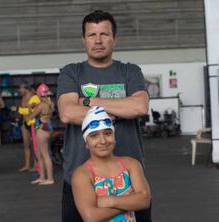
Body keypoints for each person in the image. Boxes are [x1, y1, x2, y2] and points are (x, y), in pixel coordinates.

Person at [57, 10, 150, 221]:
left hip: (130, 180)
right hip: (81, 180)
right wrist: (118, 108)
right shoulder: (71, 72)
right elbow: (67, 112)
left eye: (104, 34)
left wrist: (89, 102)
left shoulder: (130, 71)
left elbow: (139, 107)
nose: (98, 41)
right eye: (92, 35)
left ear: (114, 39)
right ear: (84, 40)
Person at [72, 106, 151, 222]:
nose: (103, 141)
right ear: (86, 143)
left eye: (108, 133)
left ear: (114, 137)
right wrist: (129, 201)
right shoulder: (82, 174)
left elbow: (144, 200)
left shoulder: (131, 164)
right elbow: (91, 217)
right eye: (94, 136)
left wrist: (110, 201)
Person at [29, 83, 54, 185]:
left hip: (41, 130)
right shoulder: (50, 103)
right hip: (47, 127)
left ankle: (50, 179)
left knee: (45, 154)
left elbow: (31, 116)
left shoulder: (41, 105)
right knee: (39, 154)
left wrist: (31, 107)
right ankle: (42, 177)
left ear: (39, 94)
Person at [15, 82, 41, 172]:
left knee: (35, 145)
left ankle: (36, 165)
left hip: (33, 123)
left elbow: (32, 111)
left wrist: (18, 109)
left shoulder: (33, 97)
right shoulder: (23, 97)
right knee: (26, 145)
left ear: (26, 89)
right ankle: (27, 165)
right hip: (25, 122)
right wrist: (22, 124)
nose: (19, 91)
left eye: (21, 89)